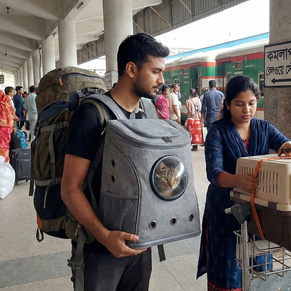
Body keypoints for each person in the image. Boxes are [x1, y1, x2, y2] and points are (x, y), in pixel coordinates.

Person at [61, 33, 170, 291]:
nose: (162, 80)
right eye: (155, 71)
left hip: (141, 241)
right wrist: (104, 236)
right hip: (98, 246)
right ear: (131, 69)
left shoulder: (149, 112)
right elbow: (70, 188)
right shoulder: (92, 114)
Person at [196, 75, 291, 290]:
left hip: (258, 210)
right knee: (228, 270)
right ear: (227, 104)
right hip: (225, 209)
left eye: (252, 103)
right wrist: (237, 180)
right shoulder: (217, 131)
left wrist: (290, 146)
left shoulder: (264, 128)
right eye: (239, 104)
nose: (246, 110)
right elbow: (214, 172)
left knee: (261, 268)